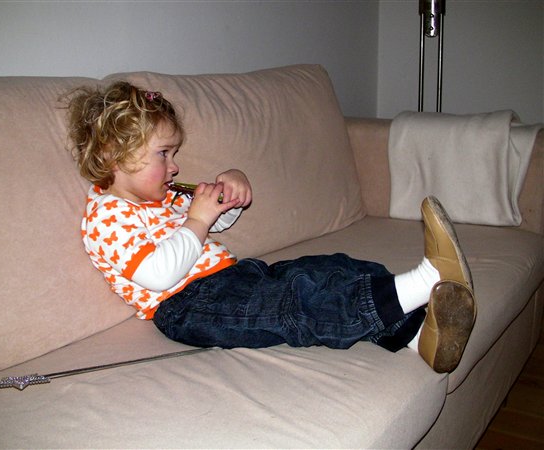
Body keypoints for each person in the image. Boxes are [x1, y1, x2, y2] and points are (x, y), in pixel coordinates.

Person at [64, 81, 476, 373]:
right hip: (187, 306)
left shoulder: (161, 196)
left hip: (235, 277)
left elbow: (213, 222)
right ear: (114, 154)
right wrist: (198, 219)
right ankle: (428, 280)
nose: (174, 166)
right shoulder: (106, 217)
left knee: (328, 268)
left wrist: (228, 194)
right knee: (297, 304)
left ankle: (418, 336)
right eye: (163, 154)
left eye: (174, 154)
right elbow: (158, 274)